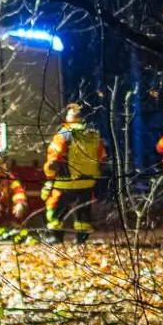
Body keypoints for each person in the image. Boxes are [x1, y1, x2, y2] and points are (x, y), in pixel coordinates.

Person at [43, 103, 105, 243]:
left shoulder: (62, 136)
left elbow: (53, 160)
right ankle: (81, 239)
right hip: (88, 182)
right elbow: (101, 157)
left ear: (68, 118)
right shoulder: (94, 135)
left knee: (57, 209)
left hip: (66, 181)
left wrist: (49, 177)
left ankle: (55, 236)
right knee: (83, 211)